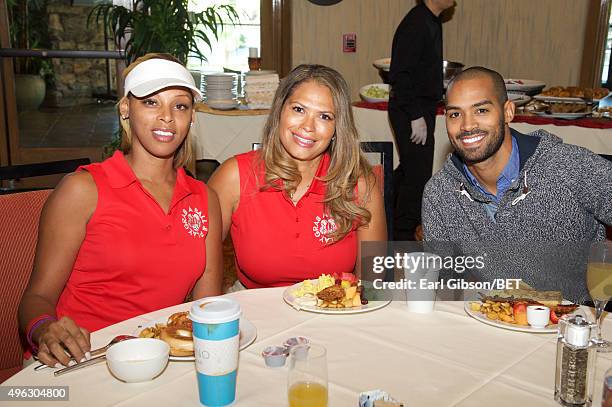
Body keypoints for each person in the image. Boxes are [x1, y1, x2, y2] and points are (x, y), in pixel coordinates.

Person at [18, 53, 223, 368]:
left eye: (180, 105)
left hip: (160, 360)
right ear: (126, 108)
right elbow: (36, 298)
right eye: (151, 102)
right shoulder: (83, 190)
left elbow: (207, 307)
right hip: (80, 360)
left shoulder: (204, 198)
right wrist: (45, 329)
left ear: (192, 115)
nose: (167, 117)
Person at [422, 66, 612, 302]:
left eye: (481, 110)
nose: (467, 125)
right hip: (493, 323)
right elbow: (443, 286)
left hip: (573, 326)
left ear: (508, 112)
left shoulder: (568, 166)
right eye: (455, 114)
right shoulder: (439, 193)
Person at [208, 64, 386, 289]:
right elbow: (202, 267)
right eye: (299, 109)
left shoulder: (360, 184)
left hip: (334, 313)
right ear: (280, 110)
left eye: (324, 116)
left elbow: (372, 283)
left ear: (337, 128)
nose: (308, 126)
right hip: (255, 315)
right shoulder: (234, 176)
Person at [388, 0, 454, 241]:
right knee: (417, 177)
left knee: (409, 171)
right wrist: (415, 115)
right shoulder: (417, 23)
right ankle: (403, 237)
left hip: (419, 108)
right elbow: (400, 74)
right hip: (410, 109)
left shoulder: (431, 20)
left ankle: (387, 219)